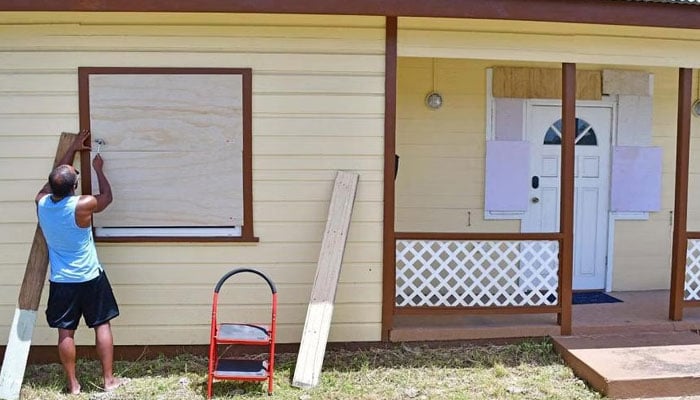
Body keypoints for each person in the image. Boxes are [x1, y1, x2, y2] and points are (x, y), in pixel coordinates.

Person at [35, 130, 124, 394]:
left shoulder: (41, 202)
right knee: (102, 325)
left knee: (65, 333)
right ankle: (108, 381)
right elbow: (106, 198)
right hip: (90, 276)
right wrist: (98, 169)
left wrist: (72, 147)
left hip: (62, 280)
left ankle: (73, 385)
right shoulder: (82, 205)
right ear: (74, 187)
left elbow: (55, 178)